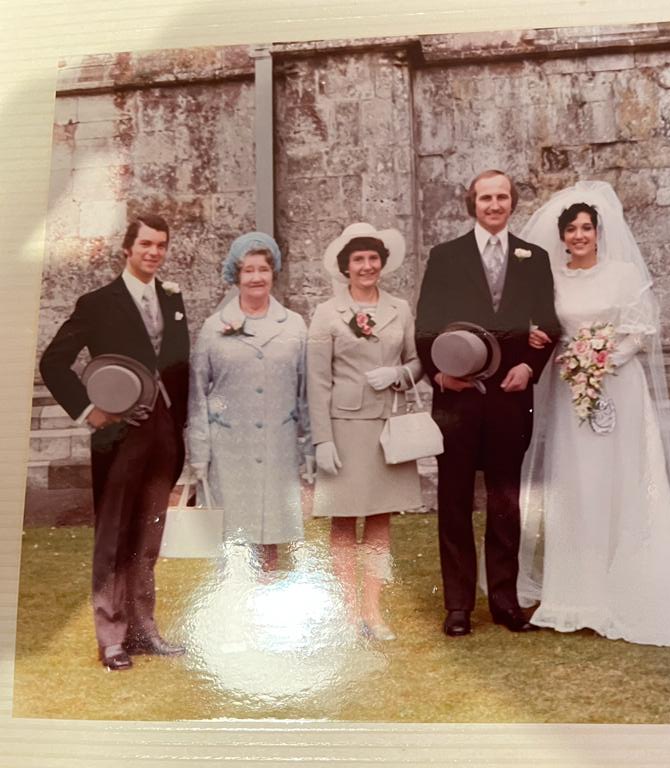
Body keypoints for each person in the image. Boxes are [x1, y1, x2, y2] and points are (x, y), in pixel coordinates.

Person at [517, 181, 670, 646]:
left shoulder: (625, 274)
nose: (578, 236)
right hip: (572, 394)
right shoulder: (553, 279)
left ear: (598, 231)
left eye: (586, 228)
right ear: (562, 235)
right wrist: (568, 356)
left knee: (624, 478)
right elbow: (548, 330)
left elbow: (642, 329)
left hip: (619, 386)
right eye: (571, 229)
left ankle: (630, 585)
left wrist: (605, 358)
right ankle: (576, 593)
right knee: (579, 483)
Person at [39, 213, 188, 670]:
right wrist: (90, 412)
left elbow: (179, 366)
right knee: (112, 538)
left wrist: (180, 427)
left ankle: (144, 631)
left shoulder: (172, 298)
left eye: (161, 245)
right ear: (128, 248)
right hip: (118, 438)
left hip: (164, 435)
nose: (154, 252)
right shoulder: (97, 302)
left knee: (149, 537)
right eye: (145, 244)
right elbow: (54, 362)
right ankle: (112, 639)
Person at [415, 169, 561, 637]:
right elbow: (425, 327)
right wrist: (439, 374)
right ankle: (458, 605)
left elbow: (551, 323)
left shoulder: (534, 258)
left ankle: (504, 602)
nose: (494, 205)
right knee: (454, 501)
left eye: (501, 197)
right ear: (471, 203)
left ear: (512, 203)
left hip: (510, 398)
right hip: (457, 401)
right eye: (485, 198)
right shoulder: (446, 256)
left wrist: (530, 369)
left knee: (505, 501)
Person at [308, 222, 422, 641]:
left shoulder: (400, 308)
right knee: (342, 522)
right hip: (343, 427)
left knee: (379, 521)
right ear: (345, 266)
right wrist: (322, 439)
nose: (367, 265)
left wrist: (398, 373)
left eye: (373, 258)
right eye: (358, 259)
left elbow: (417, 362)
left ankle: (373, 611)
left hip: (385, 427)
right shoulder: (326, 313)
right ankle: (346, 613)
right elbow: (317, 380)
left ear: (382, 263)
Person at [187, 232, 311, 572]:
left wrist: (309, 453)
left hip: (278, 448)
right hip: (230, 452)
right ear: (235, 276)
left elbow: (305, 394)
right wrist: (199, 456)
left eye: (263, 269)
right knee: (233, 545)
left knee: (271, 538)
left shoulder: (295, 326)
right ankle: (235, 618)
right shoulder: (214, 328)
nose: (256, 277)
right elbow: (197, 396)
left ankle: (265, 618)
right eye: (248, 270)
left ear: (274, 273)